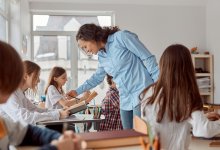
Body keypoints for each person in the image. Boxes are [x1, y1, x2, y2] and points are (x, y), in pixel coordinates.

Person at [67, 23, 159, 129]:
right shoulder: (102, 57)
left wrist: (158, 86)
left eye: (85, 46)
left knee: (140, 134)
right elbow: (96, 78)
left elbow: (147, 58)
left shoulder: (121, 37)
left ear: (91, 37)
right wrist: (76, 91)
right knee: (127, 137)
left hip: (142, 92)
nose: (86, 50)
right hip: (125, 99)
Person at [0, 40, 80, 150]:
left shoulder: (3, 122)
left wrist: (60, 137)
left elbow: (27, 132)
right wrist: (56, 146)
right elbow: (26, 118)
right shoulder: (13, 96)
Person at [140, 44, 220, 150]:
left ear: (163, 65)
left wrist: (202, 117)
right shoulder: (186, 94)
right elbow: (203, 130)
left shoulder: (149, 93)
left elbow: (167, 122)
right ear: (188, 68)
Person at [0, 61, 69, 125]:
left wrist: (59, 111)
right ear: (26, 76)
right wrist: (57, 114)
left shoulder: (20, 94)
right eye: (36, 76)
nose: (39, 81)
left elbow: (36, 110)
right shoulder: (9, 94)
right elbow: (25, 118)